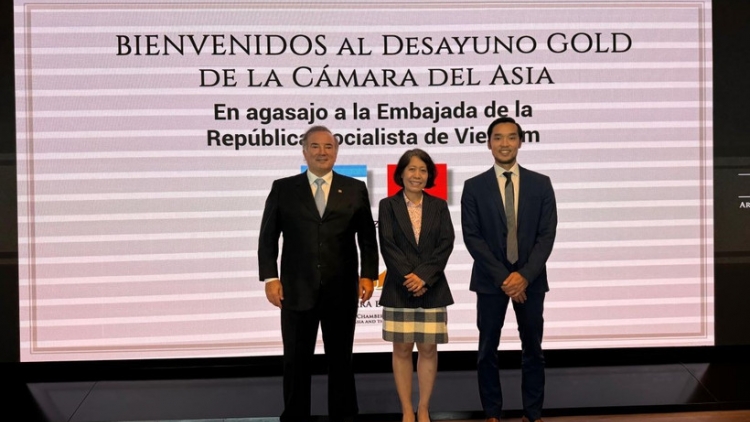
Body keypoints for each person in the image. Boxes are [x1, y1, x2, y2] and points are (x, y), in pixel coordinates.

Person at [257, 125, 379, 422]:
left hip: (341, 289)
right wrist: (270, 278)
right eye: (315, 146)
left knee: (341, 359)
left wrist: (368, 275)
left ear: (336, 152)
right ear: (304, 151)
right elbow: (268, 237)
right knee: (296, 361)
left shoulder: (354, 188)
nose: (322, 152)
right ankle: (295, 417)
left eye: (328, 146)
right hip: (296, 289)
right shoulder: (284, 188)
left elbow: (367, 237)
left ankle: (344, 416)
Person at [461, 117, 558, 422]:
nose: (505, 144)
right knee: (487, 350)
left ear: (520, 142)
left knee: (533, 350)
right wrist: (505, 278)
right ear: (489, 143)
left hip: (531, 281)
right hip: (491, 282)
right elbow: (472, 237)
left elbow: (547, 235)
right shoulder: (474, 187)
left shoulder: (541, 184)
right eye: (498, 138)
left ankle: (533, 413)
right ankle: (492, 413)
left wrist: (524, 276)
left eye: (511, 137)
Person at [378, 148, 455, 422]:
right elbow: (388, 245)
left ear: (429, 175)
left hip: (432, 288)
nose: (417, 175)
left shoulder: (439, 206)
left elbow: (446, 244)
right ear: (401, 173)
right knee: (401, 350)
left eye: (423, 170)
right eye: (412, 169)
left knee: (428, 349)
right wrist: (410, 278)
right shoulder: (388, 205)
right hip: (399, 289)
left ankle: (423, 408)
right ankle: (407, 410)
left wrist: (423, 277)